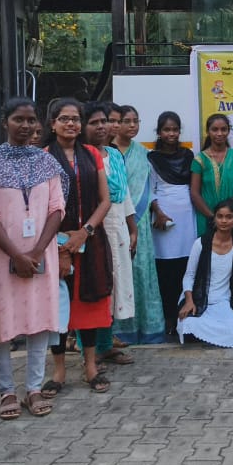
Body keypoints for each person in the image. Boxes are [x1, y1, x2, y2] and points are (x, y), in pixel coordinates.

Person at [0, 98, 65, 420]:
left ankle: (33, 388)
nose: (25, 126)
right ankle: (6, 391)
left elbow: (57, 208)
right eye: (18, 119)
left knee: (40, 322)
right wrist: (17, 255)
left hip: (43, 254)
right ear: (5, 122)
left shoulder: (47, 163)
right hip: (3, 257)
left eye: (31, 120)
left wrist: (38, 251)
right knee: (2, 324)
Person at [45, 98, 115, 394]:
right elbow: (42, 207)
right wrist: (62, 247)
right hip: (54, 244)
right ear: (53, 124)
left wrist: (85, 231)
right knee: (59, 308)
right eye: (64, 118)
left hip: (92, 241)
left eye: (75, 118)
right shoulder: (45, 156)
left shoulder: (91, 155)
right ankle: (59, 372)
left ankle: (90, 367)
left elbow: (106, 200)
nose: (70, 124)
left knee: (90, 304)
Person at [82, 104, 135, 367]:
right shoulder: (81, 156)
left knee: (115, 286)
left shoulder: (114, 155)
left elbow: (124, 194)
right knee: (96, 287)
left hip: (118, 227)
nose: (102, 126)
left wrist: (133, 227)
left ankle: (106, 344)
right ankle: (90, 350)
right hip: (93, 229)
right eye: (95, 122)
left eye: (106, 121)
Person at [112, 104, 166, 345]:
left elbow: (150, 189)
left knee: (141, 273)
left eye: (136, 120)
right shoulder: (106, 152)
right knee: (118, 275)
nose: (132, 125)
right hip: (112, 222)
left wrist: (157, 211)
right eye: (127, 121)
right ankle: (117, 333)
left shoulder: (144, 154)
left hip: (140, 222)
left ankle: (148, 330)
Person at [148, 111, 197, 339]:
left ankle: (184, 316)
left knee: (185, 265)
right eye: (166, 129)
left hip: (187, 215)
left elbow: (193, 187)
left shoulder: (188, 156)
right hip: (163, 217)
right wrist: (157, 212)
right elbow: (150, 190)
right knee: (165, 268)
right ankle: (168, 317)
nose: (171, 133)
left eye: (175, 129)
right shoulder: (152, 158)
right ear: (159, 132)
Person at [178, 200, 233, 348]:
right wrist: (189, 301)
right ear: (215, 218)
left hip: (223, 301)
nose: (224, 221)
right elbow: (189, 276)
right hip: (198, 299)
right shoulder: (201, 243)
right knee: (187, 324)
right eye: (220, 216)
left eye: (229, 217)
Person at [191, 112, 233, 235]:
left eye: (223, 129)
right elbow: (195, 193)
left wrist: (229, 214)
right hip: (207, 219)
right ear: (208, 132)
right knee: (209, 252)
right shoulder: (199, 159)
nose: (219, 133)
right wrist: (214, 217)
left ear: (228, 131)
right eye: (215, 129)